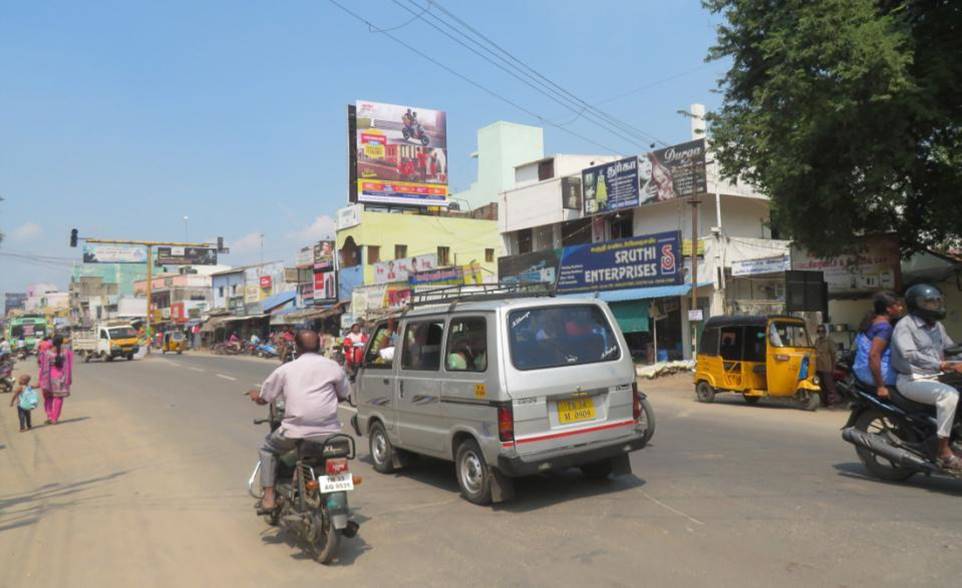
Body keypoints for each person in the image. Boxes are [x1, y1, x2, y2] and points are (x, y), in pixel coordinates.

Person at [248, 330, 350, 511]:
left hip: (296, 431)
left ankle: (269, 496)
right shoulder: (334, 367)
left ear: (296, 347)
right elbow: (343, 395)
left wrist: (257, 397)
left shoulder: (287, 369)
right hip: (330, 433)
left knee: (267, 448)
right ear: (319, 345)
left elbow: (265, 398)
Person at [891, 284, 962, 470]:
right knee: (949, 396)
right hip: (912, 380)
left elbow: (950, 348)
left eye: (938, 301)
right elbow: (910, 354)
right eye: (930, 302)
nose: (936, 305)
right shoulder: (905, 326)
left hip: (935, 377)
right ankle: (944, 450)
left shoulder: (937, 325)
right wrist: (941, 364)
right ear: (917, 305)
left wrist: (957, 358)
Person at [853, 291, 904, 398]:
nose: (901, 308)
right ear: (888, 309)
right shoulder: (885, 328)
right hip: (874, 374)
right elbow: (874, 355)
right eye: (898, 305)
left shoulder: (871, 322)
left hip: (861, 370)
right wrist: (880, 386)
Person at [38, 334, 73, 425]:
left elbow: (41, 365)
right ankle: (54, 418)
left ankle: (49, 416)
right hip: (61, 377)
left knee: (48, 397)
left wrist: (41, 379)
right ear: (62, 342)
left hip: (49, 378)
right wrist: (69, 379)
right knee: (59, 398)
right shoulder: (66, 352)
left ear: (52, 341)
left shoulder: (47, 353)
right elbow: (69, 366)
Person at [814, 325, 840, 406]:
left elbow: (834, 355)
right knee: (821, 386)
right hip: (818, 367)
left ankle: (832, 402)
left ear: (825, 332)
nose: (820, 333)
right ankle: (824, 402)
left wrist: (833, 367)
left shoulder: (829, 341)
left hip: (826, 367)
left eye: (822, 331)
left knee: (829, 386)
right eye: (819, 331)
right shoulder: (817, 341)